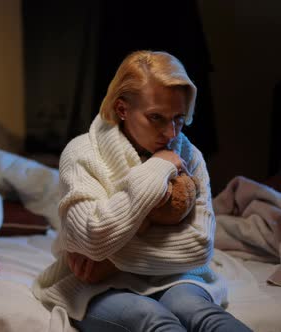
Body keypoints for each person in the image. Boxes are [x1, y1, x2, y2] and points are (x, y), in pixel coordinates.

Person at [32, 50, 251, 331]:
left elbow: (199, 248)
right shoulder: (81, 154)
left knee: (203, 315)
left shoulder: (190, 155)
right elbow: (93, 237)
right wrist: (157, 167)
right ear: (123, 109)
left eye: (179, 119)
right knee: (154, 320)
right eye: (156, 118)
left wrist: (112, 261)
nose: (172, 134)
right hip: (94, 284)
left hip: (175, 276)